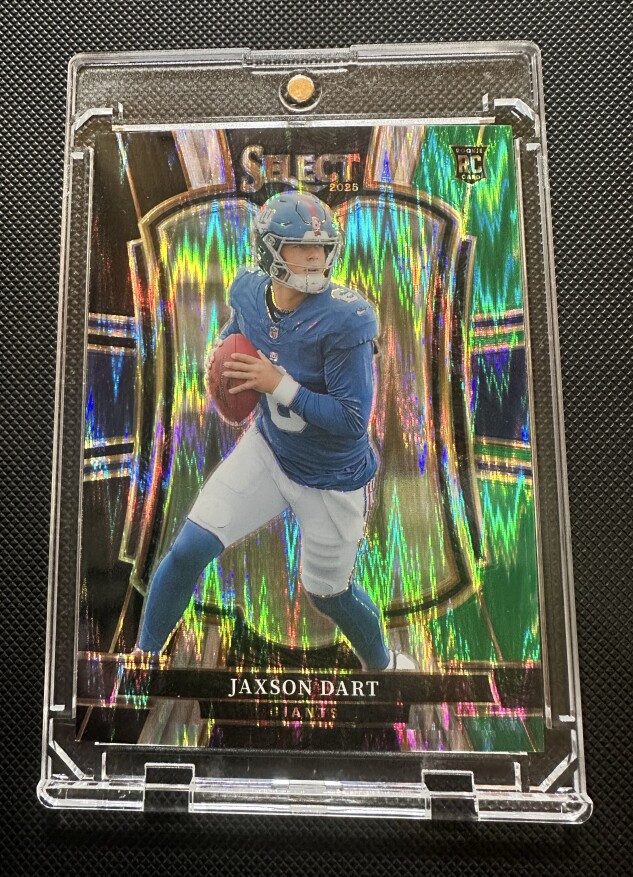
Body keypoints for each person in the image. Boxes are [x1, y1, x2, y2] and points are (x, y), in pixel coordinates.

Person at [136, 190, 416, 671]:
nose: (314, 256)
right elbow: (239, 330)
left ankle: (385, 667)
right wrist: (224, 356)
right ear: (269, 250)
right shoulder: (249, 290)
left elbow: (353, 422)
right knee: (187, 551)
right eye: (300, 245)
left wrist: (277, 384)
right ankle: (141, 661)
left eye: (321, 246)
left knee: (329, 595)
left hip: (332, 477)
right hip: (271, 449)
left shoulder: (346, 318)